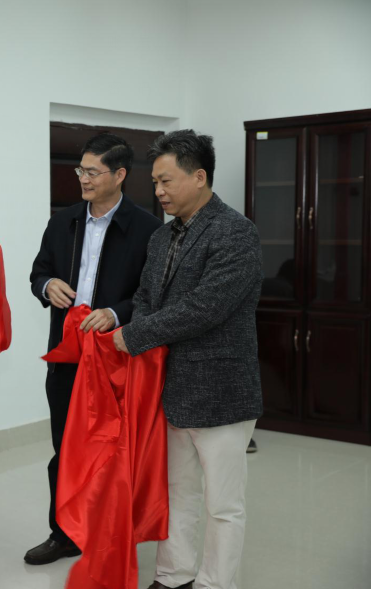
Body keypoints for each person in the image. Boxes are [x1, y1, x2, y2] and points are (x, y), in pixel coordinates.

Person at [114, 130, 263, 589]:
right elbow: (145, 296)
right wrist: (139, 324)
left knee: (223, 504)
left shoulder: (235, 231)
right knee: (177, 492)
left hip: (222, 391)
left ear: (199, 177)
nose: (158, 192)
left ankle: (215, 583)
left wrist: (135, 335)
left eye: (167, 181)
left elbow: (206, 308)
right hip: (171, 388)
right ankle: (172, 575)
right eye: (155, 183)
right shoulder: (162, 237)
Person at [27, 133, 162, 565]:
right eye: (80, 170)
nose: (83, 179)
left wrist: (117, 313)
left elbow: (152, 295)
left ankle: (109, 533)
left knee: (111, 451)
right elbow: (38, 272)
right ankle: (63, 533)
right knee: (64, 447)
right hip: (67, 355)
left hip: (116, 358)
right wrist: (47, 285)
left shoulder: (148, 229)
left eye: (92, 171)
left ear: (119, 175)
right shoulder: (63, 221)